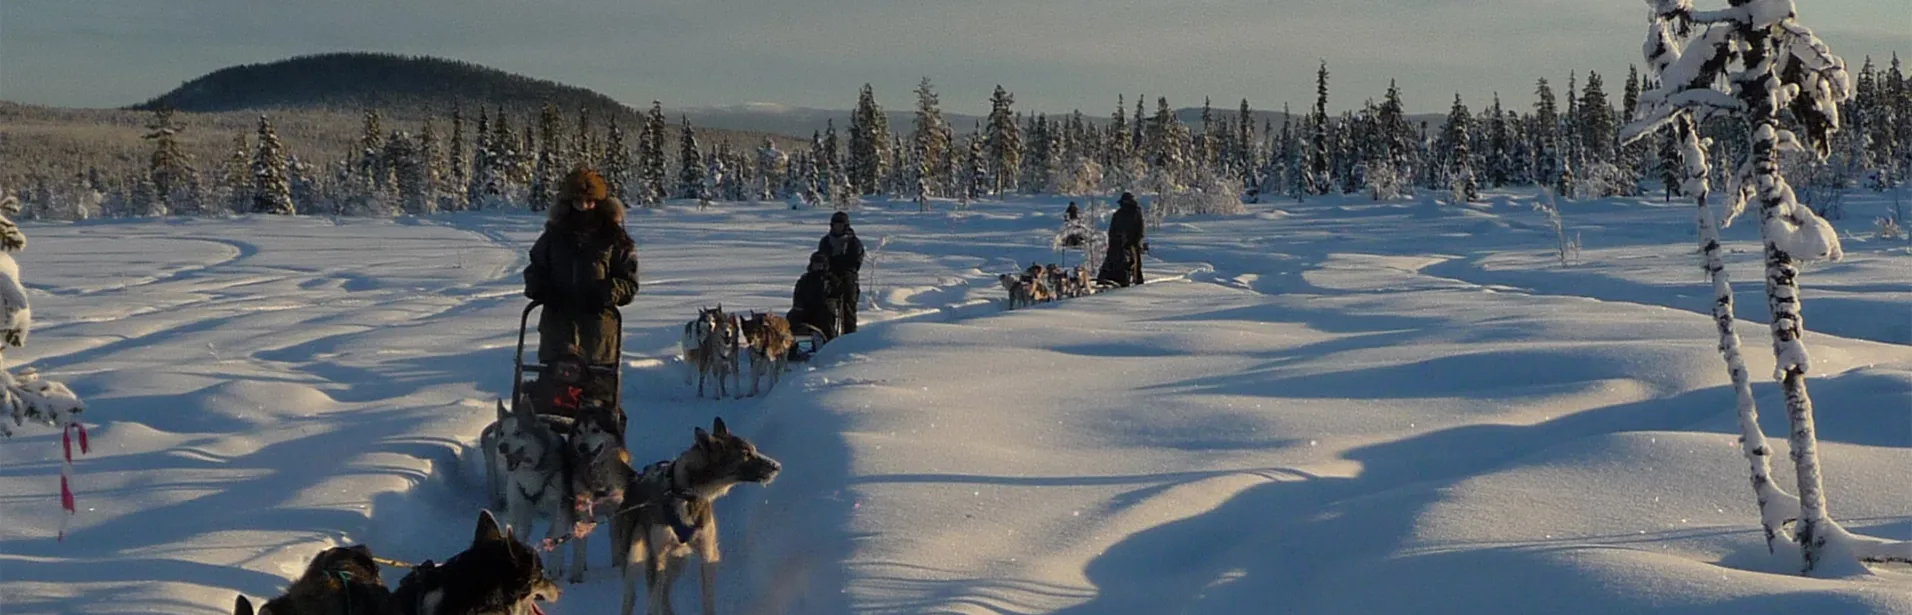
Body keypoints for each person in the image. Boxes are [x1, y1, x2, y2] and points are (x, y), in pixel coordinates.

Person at [524, 167, 640, 367]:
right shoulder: (553, 236)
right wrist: (544, 290)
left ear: (600, 203)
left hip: (598, 334)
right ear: (568, 204)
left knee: (597, 392)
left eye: (590, 201)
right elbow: (535, 270)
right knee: (551, 392)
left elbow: (629, 282)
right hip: (557, 333)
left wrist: (607, 292)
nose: (585, 207)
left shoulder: (614, 239)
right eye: (578, 202)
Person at [817, 211, 864, 334]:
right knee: (826, 308)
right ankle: (828, 337)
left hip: (847, 279)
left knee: (848, 310)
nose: (837, 227)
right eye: (835, 225)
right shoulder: (825, 241)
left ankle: (849, 338)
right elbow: (821, 259)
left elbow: (855, 263)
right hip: (830, 278)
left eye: (840, 225)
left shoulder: (854, 242)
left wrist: (842, 267)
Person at [786, 251, 839, 340]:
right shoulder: (805, 279)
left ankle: (830, 343)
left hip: (823, 310)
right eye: (816, 264)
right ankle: (790, 344)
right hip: (806, 309)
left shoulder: (831, 279)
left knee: (826, 318)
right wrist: (798, 306)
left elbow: (836, 295)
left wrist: (829, 302)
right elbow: (798, 294)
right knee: (792, 316)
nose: (818, 267)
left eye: (820, 265)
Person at [1096, 192, 1146, 287]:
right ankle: (1106, 277)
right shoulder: (1118, 214)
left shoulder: (1136, 213)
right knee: (1112, 258)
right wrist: (1113, 240)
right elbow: (1112, 229)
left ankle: (1138, 282)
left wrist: (1136, 242)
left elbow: (1140, 229)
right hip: (1116, 242)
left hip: (1131, 243)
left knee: (1135, 262)